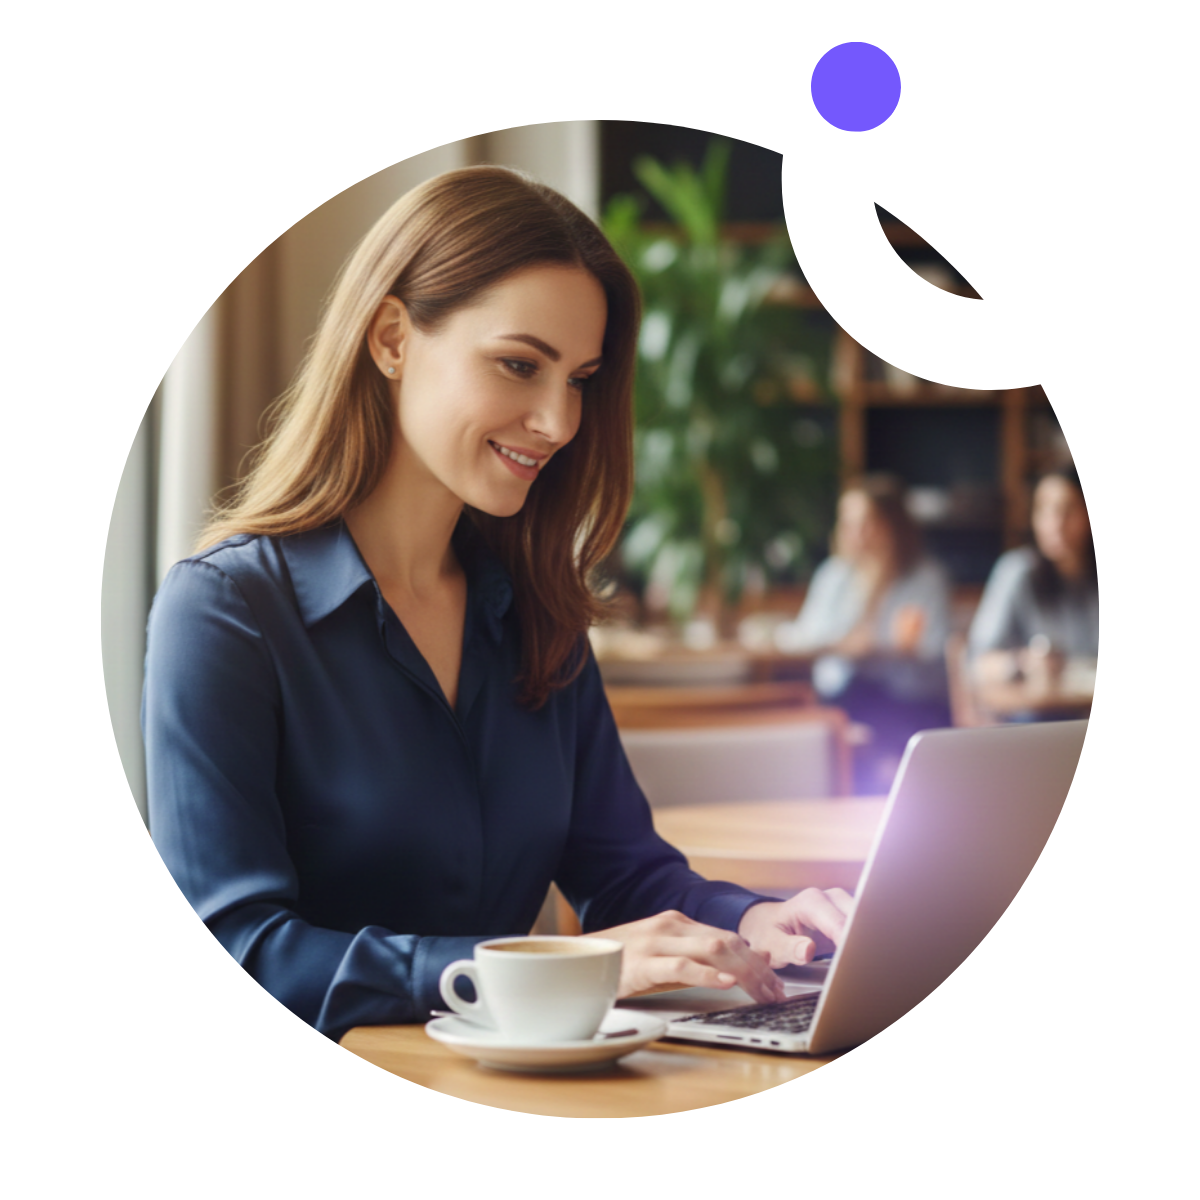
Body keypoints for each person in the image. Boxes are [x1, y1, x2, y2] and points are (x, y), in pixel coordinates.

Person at [143, 166, 852, 1044]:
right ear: (392, 339)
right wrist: (539, 969)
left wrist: (753, 919)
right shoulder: (226, 613)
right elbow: (244, 947)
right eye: (520, 365)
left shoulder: (536, 612)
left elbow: (624, 875)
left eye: (580, 378)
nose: (559, 421)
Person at [776, 475, 952, 792]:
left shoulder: (925, 578)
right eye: (849, 524)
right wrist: (843, 645)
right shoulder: (834, 575)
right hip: (842, 697)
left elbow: (934, 652)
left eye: (868, 523)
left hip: (906, 699)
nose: (857, 534)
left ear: (894, 525)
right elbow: (803, 637)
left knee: (886, 725)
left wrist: (881, 649)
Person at [969, 465, 1097, 685]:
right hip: (1038, 703)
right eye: (1043, 509)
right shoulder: (1016, 571)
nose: (1055, 524)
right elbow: (975, 662)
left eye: (1067, 509)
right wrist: (1023, 664)